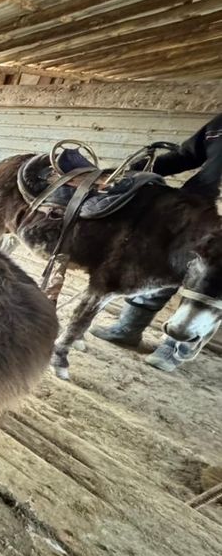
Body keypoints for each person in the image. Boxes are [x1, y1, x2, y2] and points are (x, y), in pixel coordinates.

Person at [92, 114, 222, 371]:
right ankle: (128, 328)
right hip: (197, 206)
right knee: (163, 264)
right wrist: (135, 169)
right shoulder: (219, 125)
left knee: (209, 283)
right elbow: (185, 156)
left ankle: (175, 347)